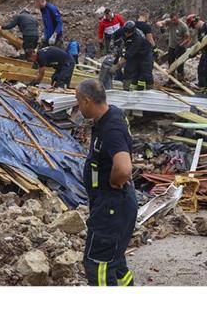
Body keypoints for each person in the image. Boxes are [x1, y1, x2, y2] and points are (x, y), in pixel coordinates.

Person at [75, 79, 137, 286]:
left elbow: (124, 168)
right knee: (115, 261)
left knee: (98, 264)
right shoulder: (113, 114)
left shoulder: (111, 129)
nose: (77, 106)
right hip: (113, 204)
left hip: (112, 207)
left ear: (86, 100)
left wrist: (114, 179)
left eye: (78, 101)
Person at [108, 21, 154, 91]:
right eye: (125, 32)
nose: (126, 34)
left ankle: (150, 90)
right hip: (133, 53)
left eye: (128, 33)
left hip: (145, 54)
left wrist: (117, 66)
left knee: (146, 73)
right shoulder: (124, 29)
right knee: (128, 69)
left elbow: (128, 55)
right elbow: (115, 34)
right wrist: (112, 41)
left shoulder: (138, 38)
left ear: (133, 31)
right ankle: (126, 89)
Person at [155, 12, 191, 80]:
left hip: (180, 47)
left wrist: (181, 45)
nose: (173, 22)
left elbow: (188, 38)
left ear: (177, 17)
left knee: (180, 64)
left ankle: (180, 79)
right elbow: (159, 22)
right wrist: (161, 26)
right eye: (172, 20)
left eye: (174, 20)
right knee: (171, 62)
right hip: (171, 47)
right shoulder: (170, 22)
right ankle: (171, 79)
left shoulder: (183, 26)